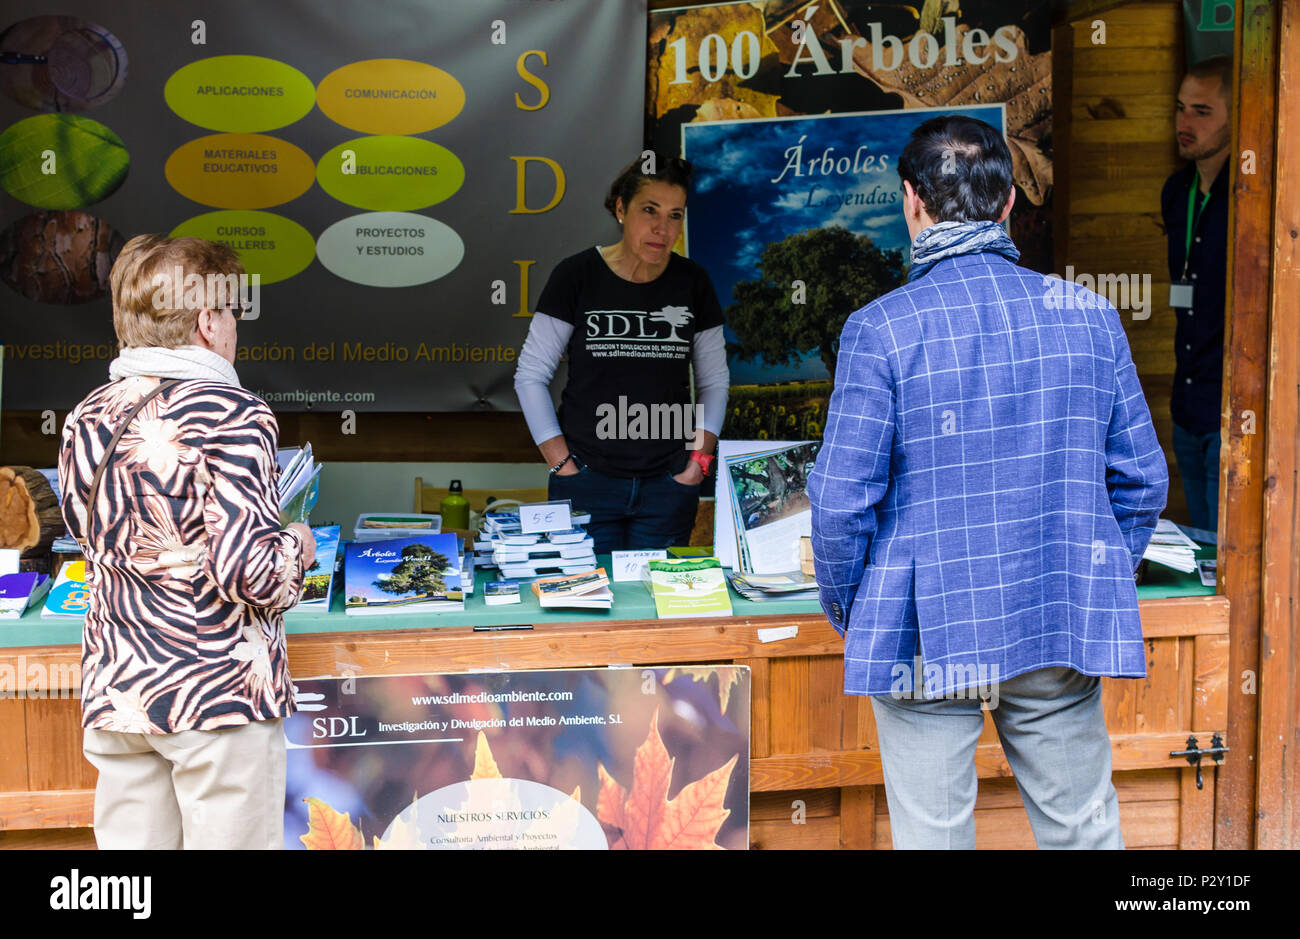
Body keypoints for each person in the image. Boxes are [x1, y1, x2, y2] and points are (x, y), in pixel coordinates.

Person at [807, 115, 1169, 849]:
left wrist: (855, 609)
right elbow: (1142, 481)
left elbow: (842, 501)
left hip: (921, 626)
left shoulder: (881, 327)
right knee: (1085, 833)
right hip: (1055, 614)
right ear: (1008, 203)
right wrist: (1091, 571)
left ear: (911, 201)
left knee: (934, 837)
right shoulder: (1091, 317)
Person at [58, 234, 316, 850]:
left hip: (119, 689)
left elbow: (79, 530)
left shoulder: (85, 414)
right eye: (231, 312)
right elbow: (249, 572)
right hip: (216, 697)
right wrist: (298, 544)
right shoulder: (233, 413)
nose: (233, 327)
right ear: (207, 321)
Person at [513, 155, 729, 554]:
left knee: (656, 609)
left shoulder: (693, 282)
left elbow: (714, 381)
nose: (662, 229)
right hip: (586, 480)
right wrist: (562, 465)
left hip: (668, 484)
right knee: (581, 608)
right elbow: (530, 375)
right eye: (650, 210)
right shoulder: (576, 276)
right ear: (620, 209)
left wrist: (699, 461)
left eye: (675, 215)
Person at [1162, 55, 1232, 536]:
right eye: (1180, 108)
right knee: (1204, 546)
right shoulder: (1175, 191)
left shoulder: (1255, 195)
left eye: (1202, 112)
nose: (1184, 123)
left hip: (1234, 413)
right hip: (1186, 405)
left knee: (1229, 553)